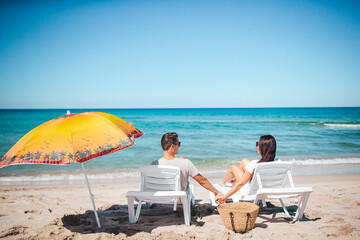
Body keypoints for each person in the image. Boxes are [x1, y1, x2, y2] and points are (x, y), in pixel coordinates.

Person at [151, 132, 223, 199]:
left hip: (159, 198)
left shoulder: (154, 164)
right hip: (178, 198)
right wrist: (217, 193)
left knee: (182, 159)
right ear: (172, 146)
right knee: (183, 163)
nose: (179, 146)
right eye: (178, 144)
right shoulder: (185, 163)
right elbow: (202, 181)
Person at [215, 135, 277, 204]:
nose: (257, 146)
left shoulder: (255, 164)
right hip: (266, 187)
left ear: (263, 148)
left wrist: (224, 197)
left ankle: (223, 182)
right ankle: (234, 181)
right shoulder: (278, 162)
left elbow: (240, 184)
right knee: (244, 161)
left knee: (234, 167)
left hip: (250, 191)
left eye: (257, 144)